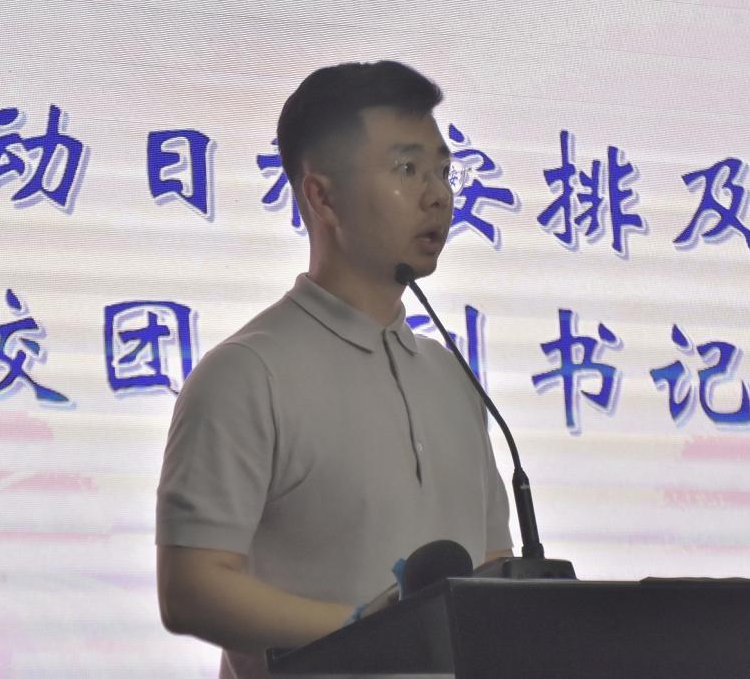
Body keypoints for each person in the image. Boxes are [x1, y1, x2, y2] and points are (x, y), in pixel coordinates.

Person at [155, 60, 513, 679]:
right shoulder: (247, 373)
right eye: (407, 169)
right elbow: (191, 589)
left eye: (443, 170)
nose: (438, 194)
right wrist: (368, 630)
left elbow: (492, 565)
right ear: (322, 197)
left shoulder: (452, 376)